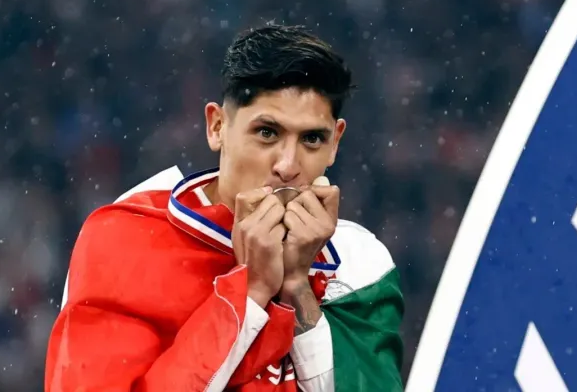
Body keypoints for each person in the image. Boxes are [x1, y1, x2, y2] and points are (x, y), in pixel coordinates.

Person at [45, 24, 404, 392]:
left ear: (335, 143)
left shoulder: (360, 265)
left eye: (312, 139)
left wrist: (297, 289)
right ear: (217, 126)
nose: (287, 164)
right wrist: (250, 291)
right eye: (267, 133)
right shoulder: (125, 239)